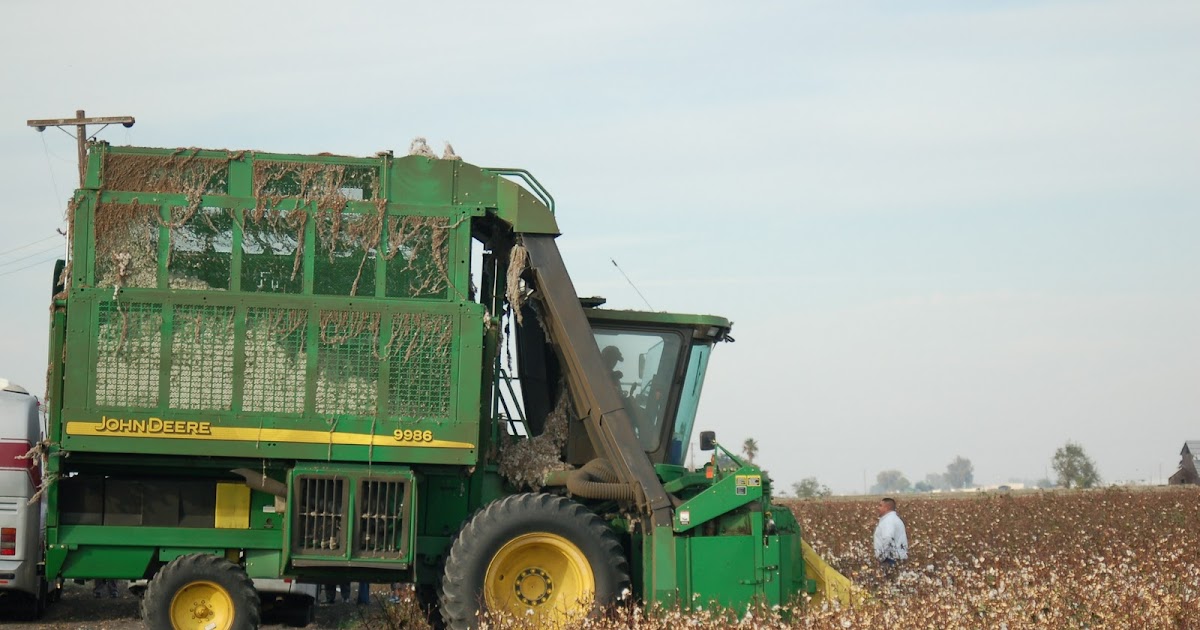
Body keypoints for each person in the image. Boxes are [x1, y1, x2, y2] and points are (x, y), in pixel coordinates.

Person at [873, 497, 908, 571]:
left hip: (890, 560)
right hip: (894, 558)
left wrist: (883, 558)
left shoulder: (889, 521)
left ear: (887, 507)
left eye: (880, 506)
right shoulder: (892, 519)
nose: (878, 508)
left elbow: (888, 538)